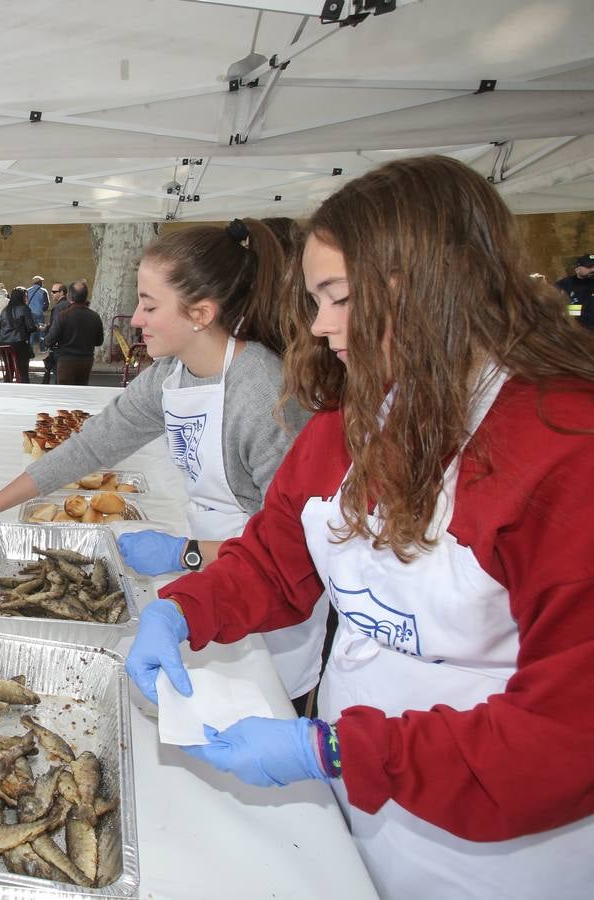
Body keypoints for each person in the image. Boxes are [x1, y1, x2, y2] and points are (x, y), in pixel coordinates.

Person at [129, 156, 594, 899]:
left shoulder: (565, 451)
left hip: (505, 844)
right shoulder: (349, 425)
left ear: (430, 285)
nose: (318, 326)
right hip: (360, 791)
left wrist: (335, 747)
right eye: (315, 300)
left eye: (337, 298)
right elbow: (276, 564)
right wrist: (183, 608)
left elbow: (566, 734)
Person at [0, 218, 326, 702]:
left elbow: (299, 554)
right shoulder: (172, 375)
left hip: (268, 611)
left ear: (201, 313)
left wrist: (186, 552)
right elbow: (90, 446)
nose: (135, 319)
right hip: (210, 581)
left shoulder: (263, 394)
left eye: (149, 305)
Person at [42, 279, 104, 385]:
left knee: (65, 393)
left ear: (70, 296)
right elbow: (99, 341)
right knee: (81, 390)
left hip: (66, 359)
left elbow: (50, 340)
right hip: (86, 359)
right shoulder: (95, 316)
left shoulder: (63, 315)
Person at [0, 286, 37, 383]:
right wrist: (37, 327)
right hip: (19, 343)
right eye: (25, 296)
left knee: (9, 371)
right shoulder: (24, 309)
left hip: (4, 343)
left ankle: (8, 392)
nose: (26, 299)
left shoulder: (5, 310)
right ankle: (24, 392)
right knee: (23, 372)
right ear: (21, 297)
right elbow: (30, 327)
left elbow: (1, 326)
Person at [40, 281, 70, 384]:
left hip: (58, 347)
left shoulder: (58, 308)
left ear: (62, 292)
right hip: (68, 346)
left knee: (58, 378)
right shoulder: (69, 305)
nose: (51, 294)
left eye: (54, 291)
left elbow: (56, 327)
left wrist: (47, 342)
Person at [555, 252, 594, 331]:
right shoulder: (564, 285)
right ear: (577, 269)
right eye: (589, 266)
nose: (593, 269)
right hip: (575, 331)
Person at [27, 274, 49, 350]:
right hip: (39, 313)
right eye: (42, 281)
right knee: (41, 331)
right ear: (39, 282)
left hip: (29, 314)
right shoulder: (43, 291)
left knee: (31, 332)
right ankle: (42, 348)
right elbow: (47, 304)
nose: (42, 283)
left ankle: (30, 350)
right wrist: (42, 309)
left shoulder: (27, 290)